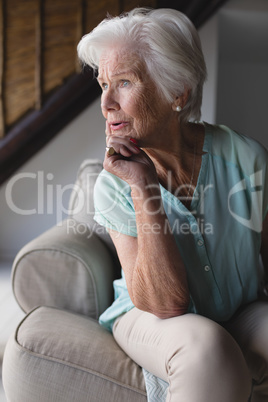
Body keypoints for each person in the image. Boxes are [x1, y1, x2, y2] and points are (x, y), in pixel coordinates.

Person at [77, 7, 268, 401]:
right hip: (146, 316)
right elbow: (165, 304)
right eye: (103, 85)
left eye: (124, 82)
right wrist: (143, 184)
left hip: (239, 307)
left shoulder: (247, 159)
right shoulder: (114, 184)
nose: (106, 103)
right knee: (208, 352)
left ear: (176, 91)